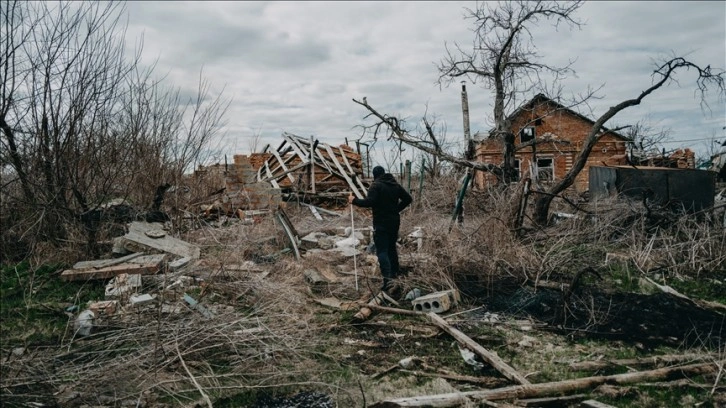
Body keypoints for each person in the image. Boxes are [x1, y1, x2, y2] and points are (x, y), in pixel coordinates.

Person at [348, 165, 412, 296]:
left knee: (382, 250)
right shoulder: (394, 184)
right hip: (394, 222)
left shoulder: (376, 185)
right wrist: (395, 210)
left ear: (375, 175)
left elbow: (369, 202)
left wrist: (354, 200)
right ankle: (395, 275)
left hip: (381, 222)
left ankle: (387, 281)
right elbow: (408, 199)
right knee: (391, 248)